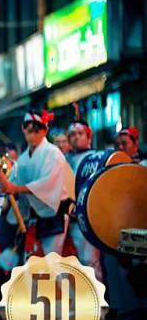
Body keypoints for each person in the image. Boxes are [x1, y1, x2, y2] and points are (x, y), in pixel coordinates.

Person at [0, 110, 74, 256]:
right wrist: (1, 177)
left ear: (45, 130)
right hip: (34, 218)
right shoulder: (24, 159)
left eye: (36, 130)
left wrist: (15, 188)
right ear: (23, 129)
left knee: (52, 262)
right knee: (33, 262)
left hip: (55, 214)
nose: (32, 135)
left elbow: (47, 184)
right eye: (29, 130)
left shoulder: (53, 153)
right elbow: (12, 183)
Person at [65, 120, 102, 281]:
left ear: (89, 136)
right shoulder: (64, 159)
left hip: (87, 218)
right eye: (72, 134)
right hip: (67, 220)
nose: (75, 137)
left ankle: (97, 303)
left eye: (80, 133)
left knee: (90, 261)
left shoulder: (97, 158)